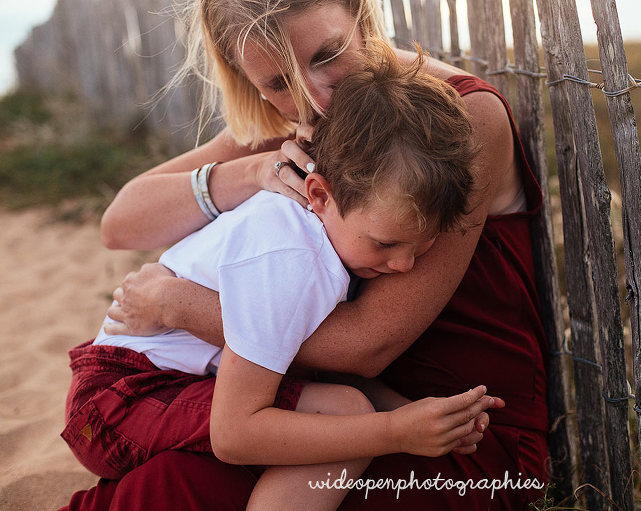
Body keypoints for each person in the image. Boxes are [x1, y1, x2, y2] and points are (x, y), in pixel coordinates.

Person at [64, 0, 549, 509]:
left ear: (361, 16)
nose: (315, 99)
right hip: (325, 404)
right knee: (171, 479)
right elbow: (120, 222)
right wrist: (250, 172)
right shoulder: (294, 120)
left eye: (329, 53)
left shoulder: (455, 118)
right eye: (275, 82)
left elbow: (364, 344)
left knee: (182, 486)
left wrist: (180, 306)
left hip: (450, 426)